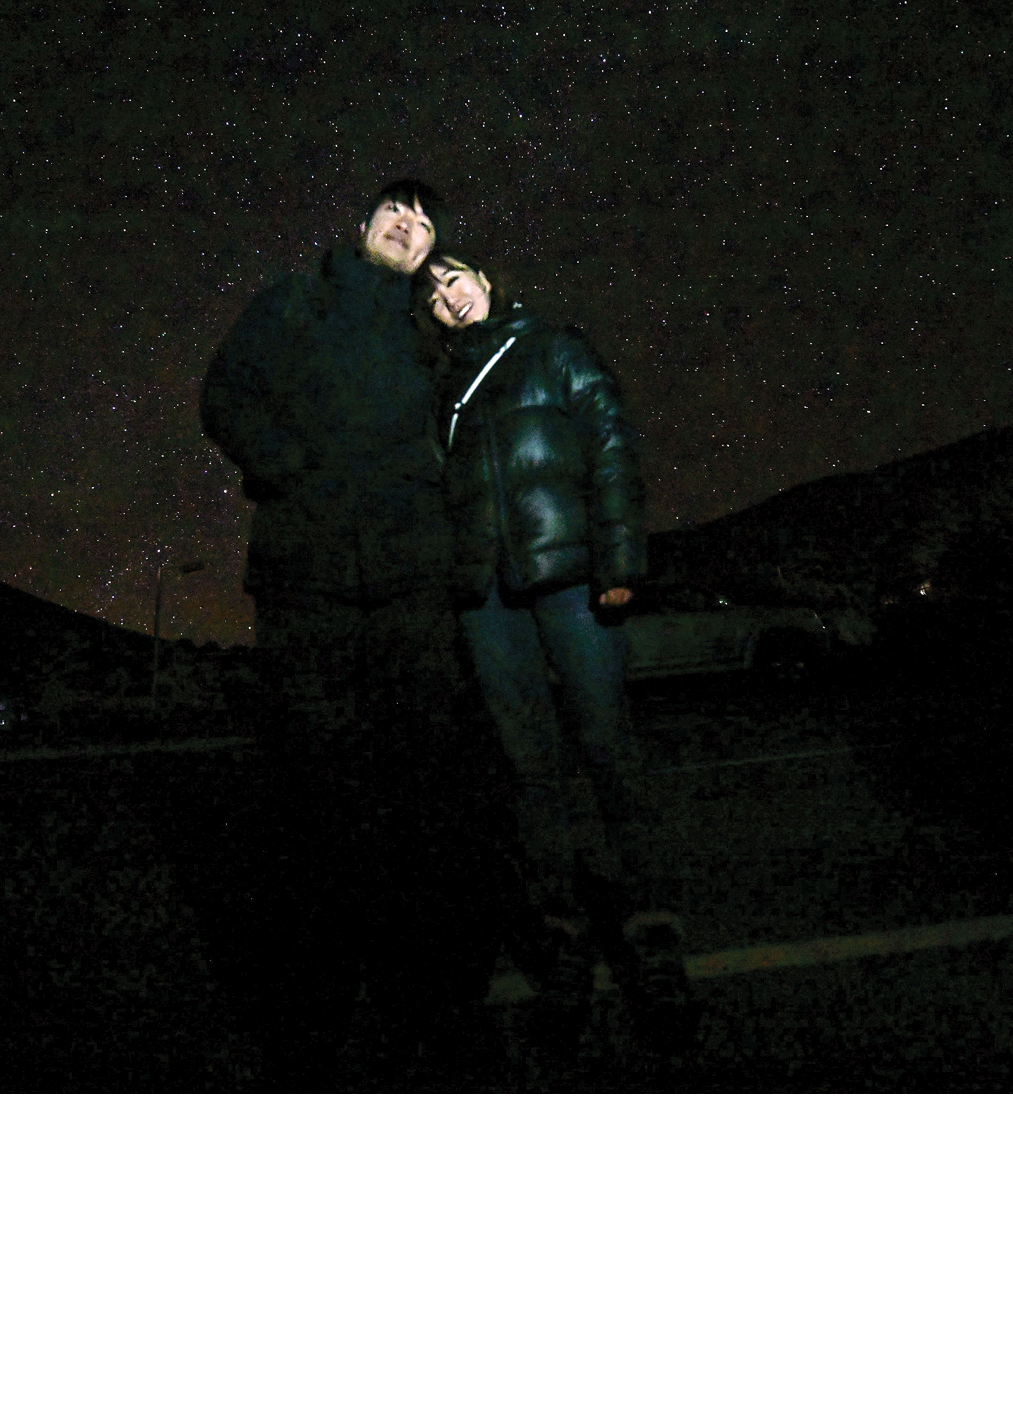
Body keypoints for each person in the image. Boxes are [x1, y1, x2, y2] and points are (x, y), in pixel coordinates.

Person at [199, 181, 522, 1087]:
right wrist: (286, 468)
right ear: (366, 226)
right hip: (308, 583)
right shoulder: (295, 299)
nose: (407, 224)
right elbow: (226, 392)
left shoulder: (432, 332)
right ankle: (315, 1012)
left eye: (425, 224)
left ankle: (434, 1001)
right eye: (396, 211)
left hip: (415, 585)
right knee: (314, 796)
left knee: (425, 798)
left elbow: (496, 396)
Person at [417, 245, 697, 1055]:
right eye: (433, 294)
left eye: (455, 277)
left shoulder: (554, 346)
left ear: (486, 280)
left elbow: (610, 442)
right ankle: (564, 942)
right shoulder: (446, 392)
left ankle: (652, 940)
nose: (448, 296)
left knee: (609, 751)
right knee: (528, 770)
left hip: (571, 576)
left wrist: (619, 560)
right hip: (489, 599)